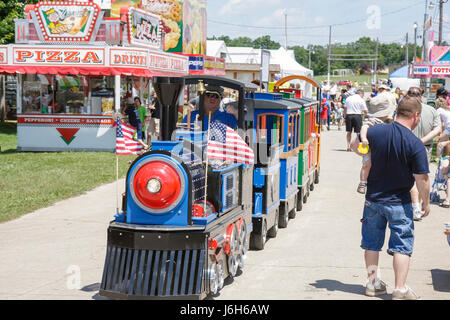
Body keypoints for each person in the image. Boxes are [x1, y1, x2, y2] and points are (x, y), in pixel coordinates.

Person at [359, 95, 430, 300]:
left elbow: (357, 147)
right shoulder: (414, 144)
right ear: (416, 116)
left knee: (371, 244)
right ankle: (399, 289)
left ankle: (372, 284)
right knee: (402, 246)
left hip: (373, 199)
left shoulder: (376, 132)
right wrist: (425, 202)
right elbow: (422, 179)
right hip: (400, 201)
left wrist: (365, 132)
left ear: (397, 111)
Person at [407, 87, 442, 221]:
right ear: (421, 95)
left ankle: (415, 206)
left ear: (408, 95)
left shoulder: (404, 108)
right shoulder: (431, 110)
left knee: (410, 178)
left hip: (407, 146)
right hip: (424, 147)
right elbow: (438, 129)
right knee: (421, 177)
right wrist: (423, 140)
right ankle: (418, 206)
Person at [351, 96, 396, 194]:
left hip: (378, 147)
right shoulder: (374, 120)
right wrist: (364, 138)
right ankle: (362, 182)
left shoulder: (387, 121)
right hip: (369, 147)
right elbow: (364, 127)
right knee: (367, 164)